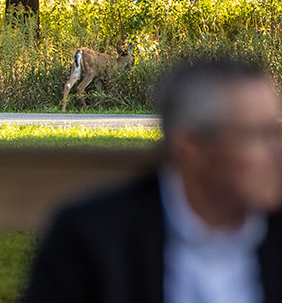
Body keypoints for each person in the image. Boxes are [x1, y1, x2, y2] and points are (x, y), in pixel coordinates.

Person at [20, 59, 282, 303]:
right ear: (191, 149)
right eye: (259, 135)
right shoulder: (91, 241)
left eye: (278, 131)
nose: (278, 150)